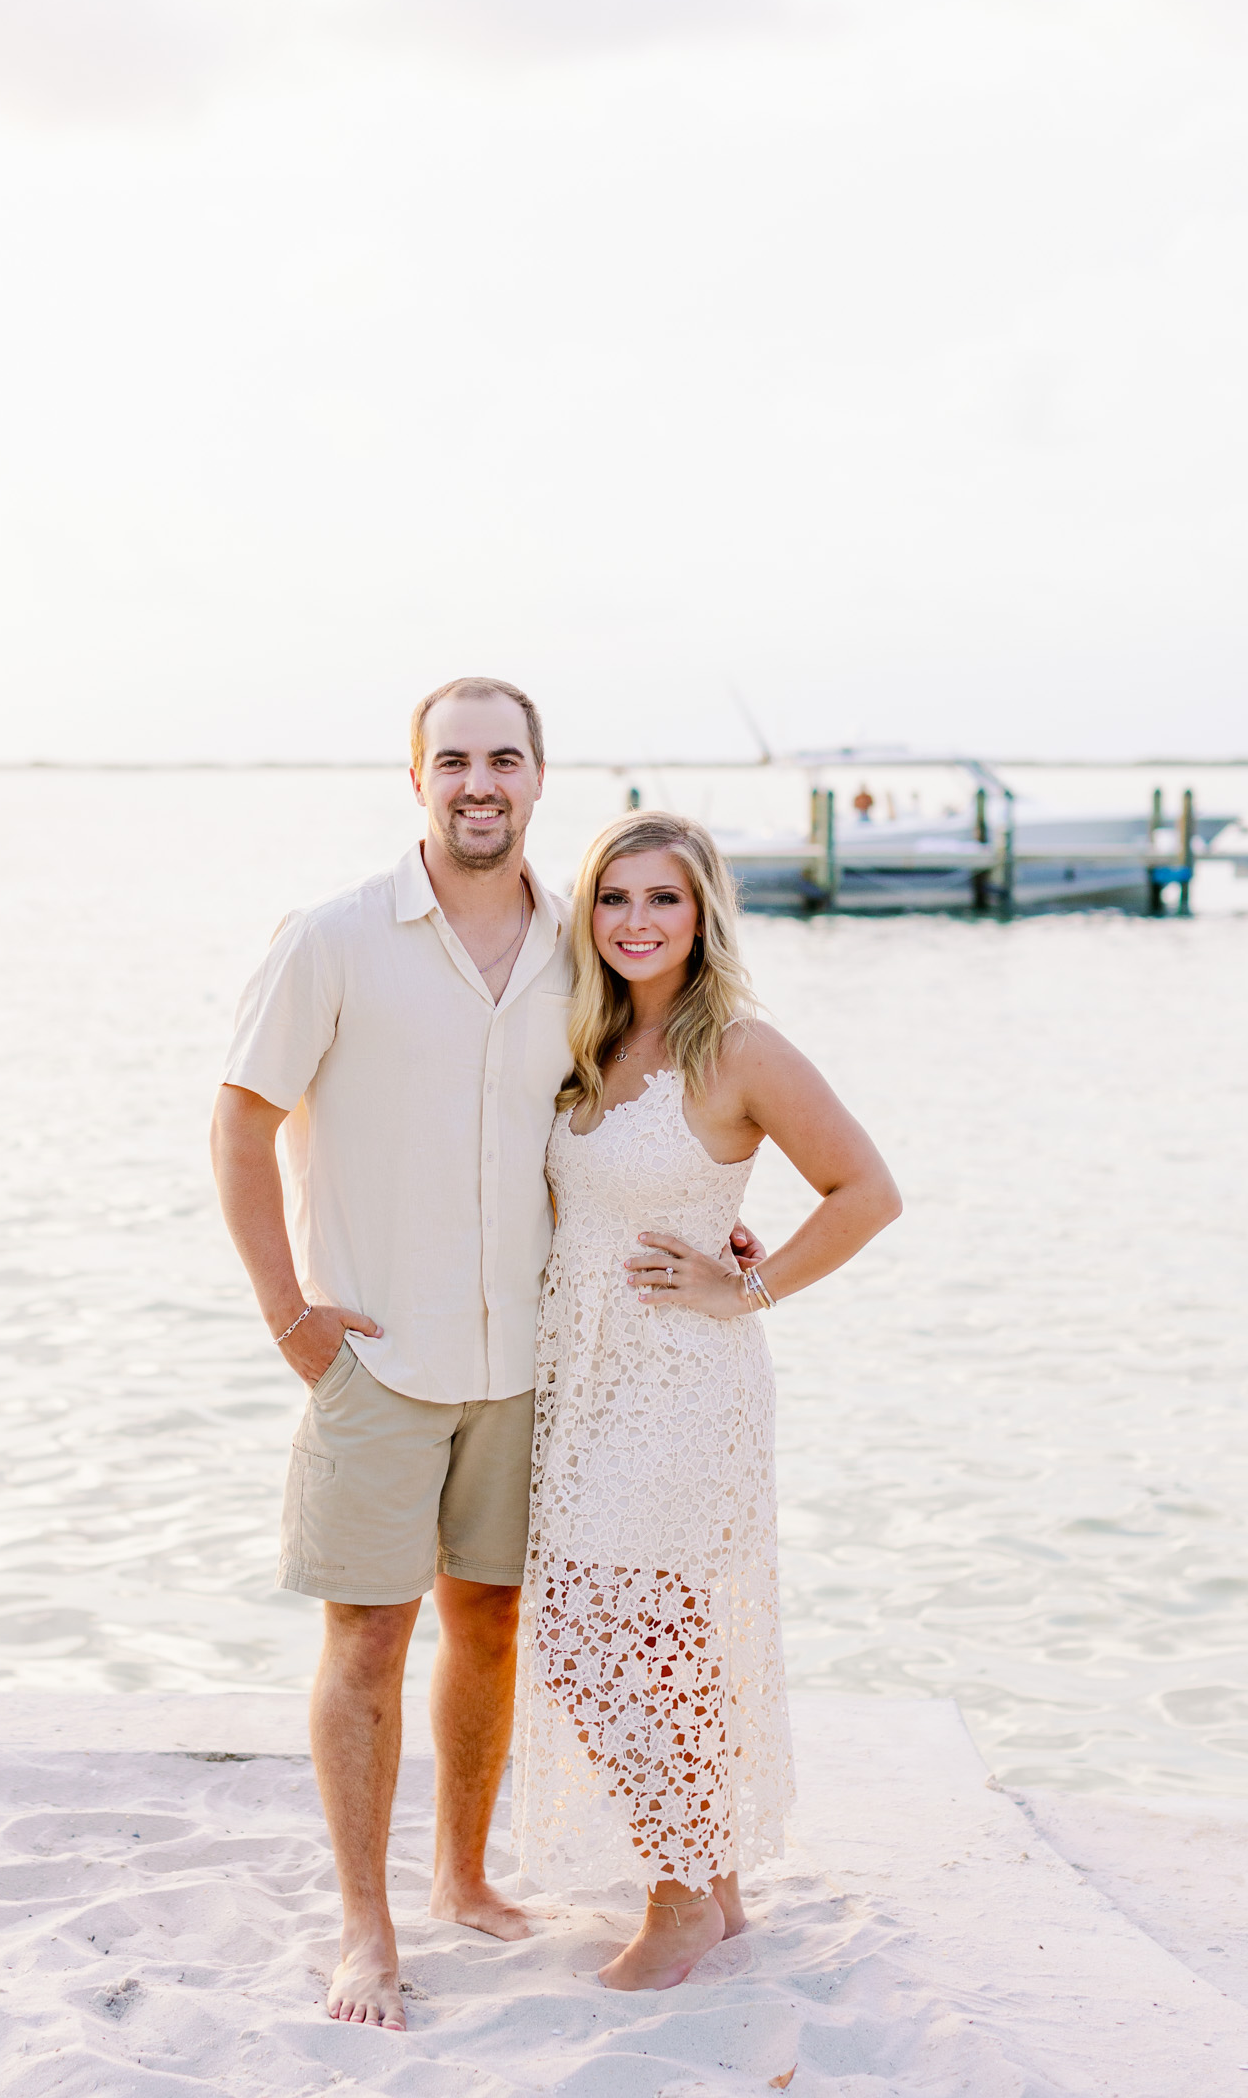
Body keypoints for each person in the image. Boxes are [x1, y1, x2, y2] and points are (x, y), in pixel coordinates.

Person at [209, 677, 577, 2031]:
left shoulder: (577, 948)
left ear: (539, 776)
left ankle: (460, 1875)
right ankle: (363, 1926)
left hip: (526, 1358)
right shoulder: (333, 939)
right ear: (414, 778)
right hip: (372, 1355)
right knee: (365, 1635)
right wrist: (289, 1318)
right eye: (454, 762)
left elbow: (631, 1110)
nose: (479, 784)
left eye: (504, 760)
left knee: (490, 1621)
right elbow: (239, 1127)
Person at [511, 811, 901, 1990]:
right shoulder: (585, 1037)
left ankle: (676, 1899)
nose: (636, 921)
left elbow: (866, 1190)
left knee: (595, 1628)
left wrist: (750, 1286)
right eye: (615, 898)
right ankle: (712, 1877)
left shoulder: (738, 1046)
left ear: (702, 913)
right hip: (588, 1376)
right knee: (654, 1633)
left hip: (684, 1377)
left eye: (663, 899)